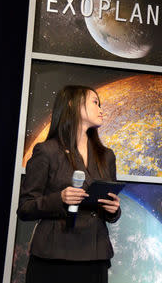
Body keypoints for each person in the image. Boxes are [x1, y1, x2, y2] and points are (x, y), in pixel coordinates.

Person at [17, 85, 121, 283]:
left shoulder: (106, 156)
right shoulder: (47, 151)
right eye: (95, 102)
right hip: (53, 257)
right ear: (72, 104)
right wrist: (59, 199)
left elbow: (110, 210)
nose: (101, 109)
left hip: (94, 257)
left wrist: (114, 210)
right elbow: (25, 208)